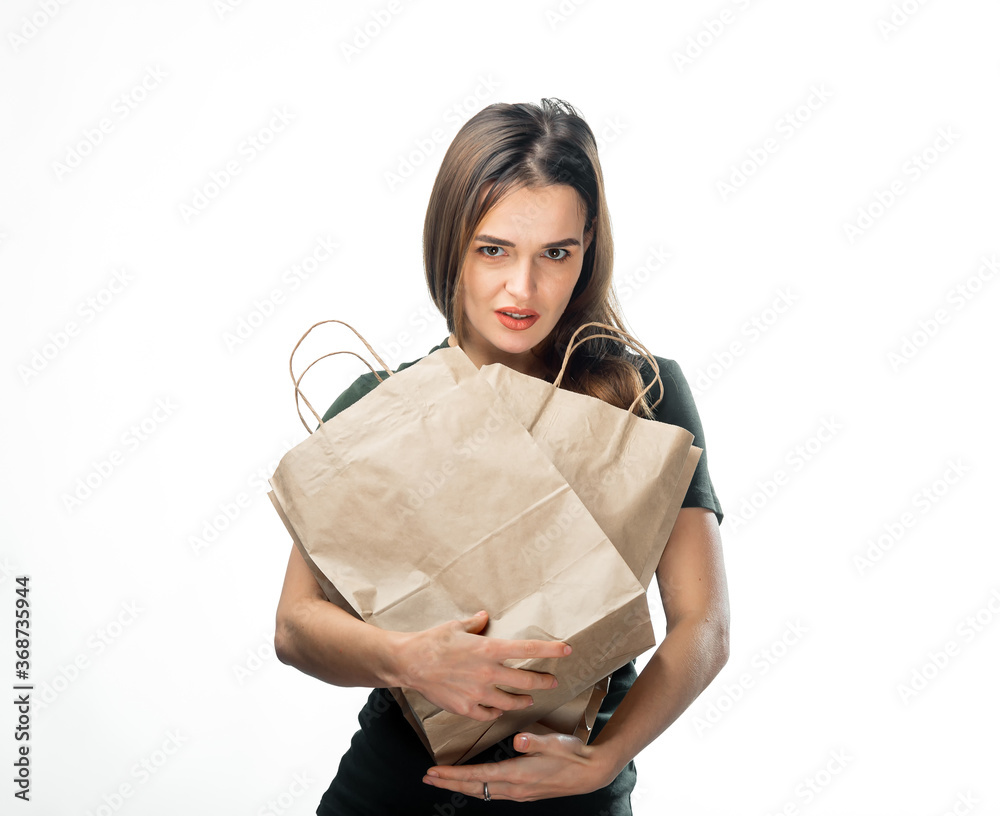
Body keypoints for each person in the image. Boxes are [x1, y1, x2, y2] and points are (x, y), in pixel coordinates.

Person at [274, 98, 730, 814]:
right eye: (494, 250)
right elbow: (295, 625)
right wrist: (403, 658)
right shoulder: (378, 405)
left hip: (569, 788)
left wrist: (603, 760)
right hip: (396, 789)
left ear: (587, 251)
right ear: (450, 244)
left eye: (556, 253)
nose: (524, 288)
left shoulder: (645, 392)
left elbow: (705, 624)